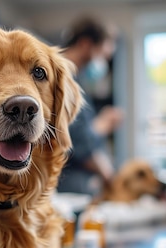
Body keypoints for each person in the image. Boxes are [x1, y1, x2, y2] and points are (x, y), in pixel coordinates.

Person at [56, 16, 123, 197]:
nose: (103, 64)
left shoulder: (77, 81)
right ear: (85, 44)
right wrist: (102, 124)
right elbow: (79, 144)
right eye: (102, 55)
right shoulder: (61, 79)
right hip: (66, 187)